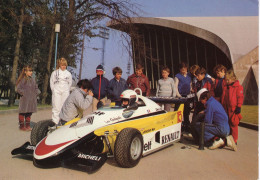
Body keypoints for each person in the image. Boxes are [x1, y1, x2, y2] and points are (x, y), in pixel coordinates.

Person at [221, 69, 244, 144]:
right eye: (226, 80)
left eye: (228, 80)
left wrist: (239, 106)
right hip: (226, 108)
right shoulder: (226, 87)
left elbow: (240, 97)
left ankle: (234, 139)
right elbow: (223, 97)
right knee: (226, 123)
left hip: (233, 109)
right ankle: (227, 138)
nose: (227, 81)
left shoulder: (238, 87)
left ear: (233, 79)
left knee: (234, 124)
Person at [16, 65, 40, 131]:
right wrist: (23, 93)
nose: (31, 72)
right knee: (22, 112)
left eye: (31, 71)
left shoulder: (33, 80)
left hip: (31, 100)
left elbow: (36, 88)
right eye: (29, 71)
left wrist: (37, 92)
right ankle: (22, 126)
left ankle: (27, 125)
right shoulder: (22, 79)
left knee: (29, 113)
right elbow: (18, 88)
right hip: (24, 100)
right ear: (25, 72)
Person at [50, 57, 72, 124]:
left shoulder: (68, 74)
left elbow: (70, 83)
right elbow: (52, 82)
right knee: (56, 107)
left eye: (65, 65)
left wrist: (67, 90)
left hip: (65, 90)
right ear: (59, 65)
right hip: (57, 90)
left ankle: (63, 122)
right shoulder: (55, 73)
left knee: (64, 107)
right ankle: (55, 122)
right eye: (62, 65)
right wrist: (54, 90)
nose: (63, 67)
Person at [174, 62, 192, 131]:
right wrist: (179, 95)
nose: (183, 70)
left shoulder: (189, 76)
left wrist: (190, 91)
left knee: (186, 112)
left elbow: (190, 85)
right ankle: (177, 126)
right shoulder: (177, 76)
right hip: (180, 96)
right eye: (182, 69)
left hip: (187, 96)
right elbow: (175, 86)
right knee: (178, 112)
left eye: (185, 69)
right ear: (180, 69)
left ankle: (187, 125)